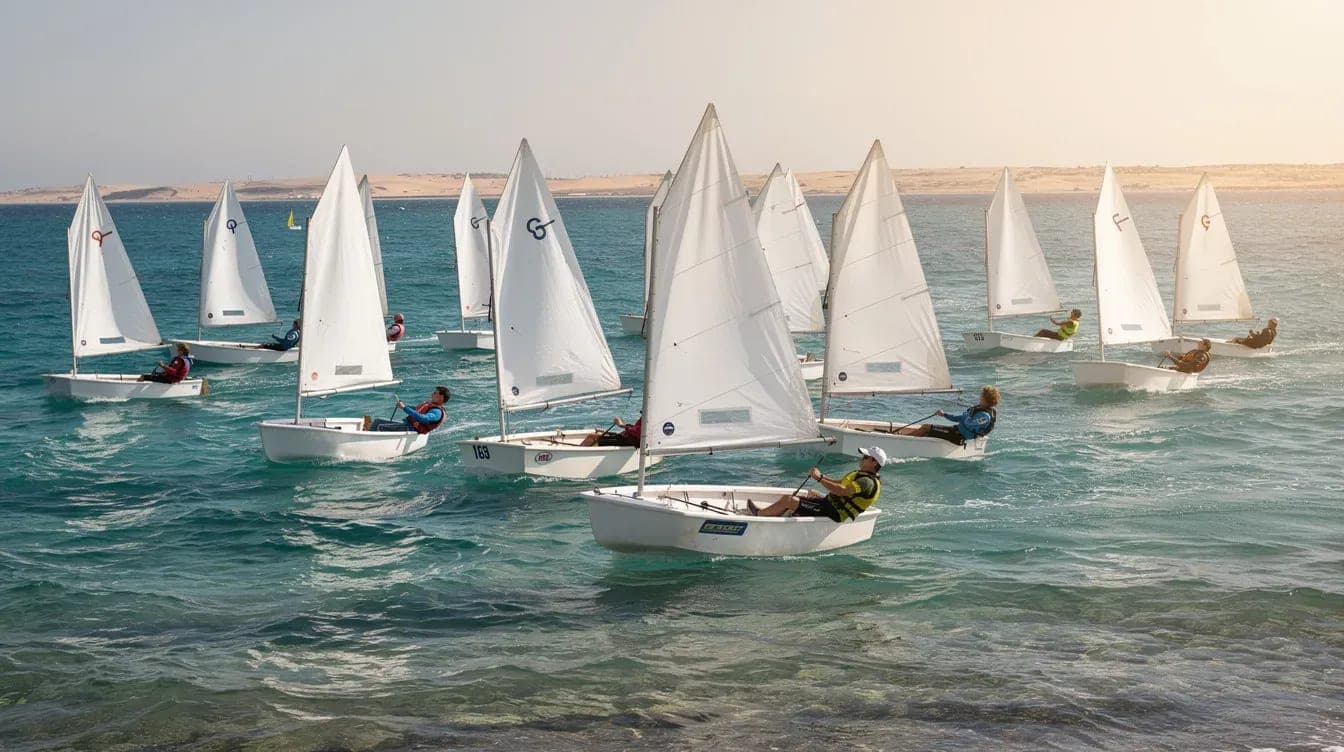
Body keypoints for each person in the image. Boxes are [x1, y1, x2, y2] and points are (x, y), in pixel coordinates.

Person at [747, 447, 884, 522]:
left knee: (788, 500)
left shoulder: (867, 482)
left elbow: (842, 491)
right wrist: (822, 476)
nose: (862, 458)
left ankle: (759, 514)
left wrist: (819, 478)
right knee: (811, 492)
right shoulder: (862, 475)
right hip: (829, 505)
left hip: (833, 512)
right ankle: (782, 514)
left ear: (874, 463)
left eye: (866, 457)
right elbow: (840, 483)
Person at [897, 385, 1000, 445]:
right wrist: (944, 415)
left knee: (926, 428)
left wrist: (966, 414)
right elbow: (959, 418)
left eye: (982, 396)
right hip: (955, 431)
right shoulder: (980, 410)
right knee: (927, 429)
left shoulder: (984, 416)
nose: (980, 398)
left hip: (959, 436)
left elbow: (968, 423)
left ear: (986, 399)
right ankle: (907, 440)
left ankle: (901, 440)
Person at [364, 386, 451, 433]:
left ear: (441, 397)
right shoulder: (430, 405)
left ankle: (369, 440)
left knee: (380, 426)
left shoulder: (437, 412)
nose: (432, 394)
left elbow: (423, 418)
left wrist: (404, 408)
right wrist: (403, 406)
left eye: (435, 393)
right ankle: (368, 432)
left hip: (411, 428)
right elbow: (417, 409)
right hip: (406, 424)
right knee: (378, 421)